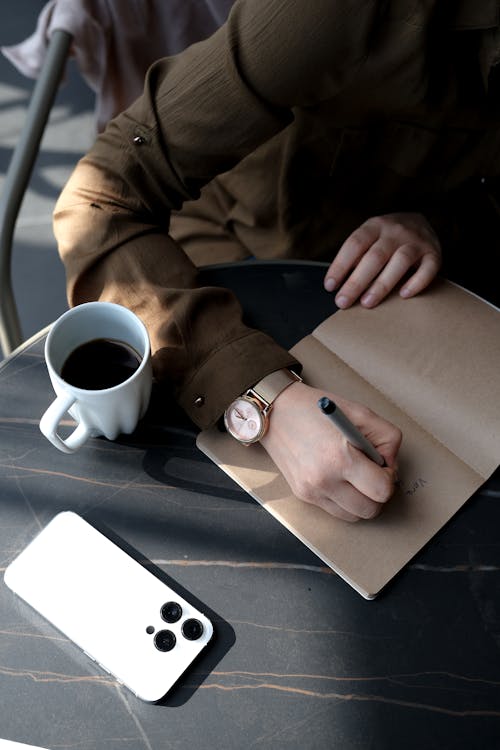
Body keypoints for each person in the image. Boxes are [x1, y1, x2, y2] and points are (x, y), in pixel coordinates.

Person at [53, 0, 499, 522]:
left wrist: (436, 221)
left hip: (382, 295)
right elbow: (100, 196)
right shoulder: (336, 12)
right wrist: (264, 402)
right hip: (220, 247)